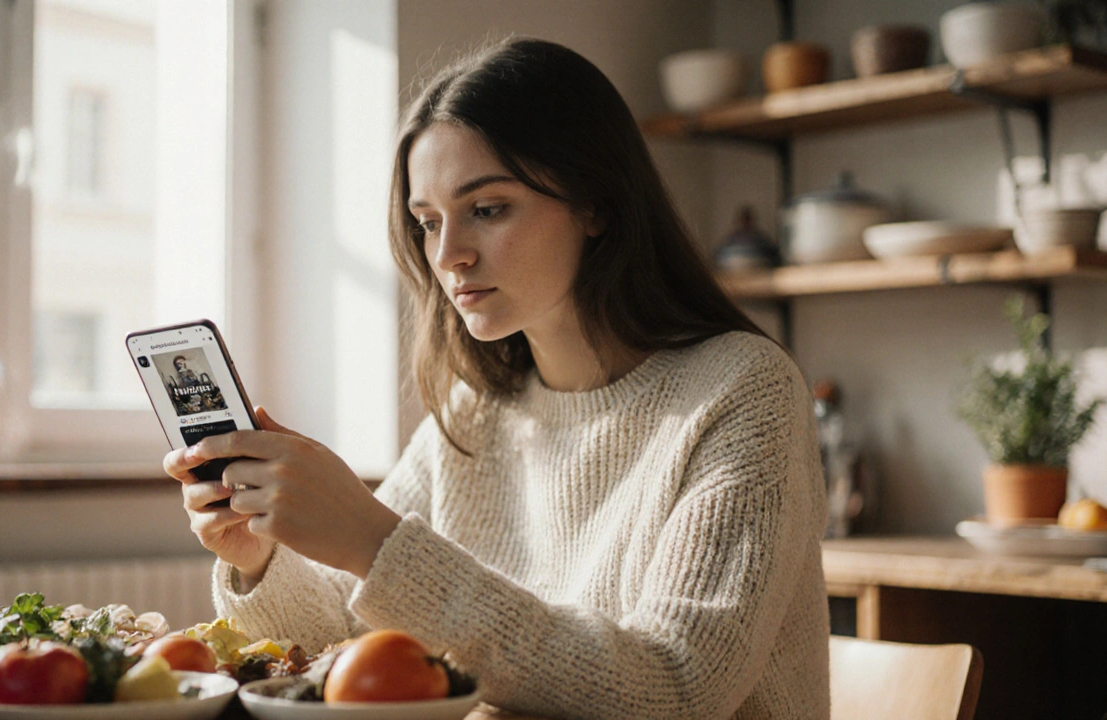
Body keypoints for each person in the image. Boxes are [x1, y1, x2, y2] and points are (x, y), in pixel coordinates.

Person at [165, 37, 829, 719]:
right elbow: (340, 642)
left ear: (595, 204)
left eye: (487, 209)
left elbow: (676, 688)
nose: (447, 254)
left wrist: (373, 540)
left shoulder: (744, 392)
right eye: (427, 222)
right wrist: (262, 559)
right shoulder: (480, 412)